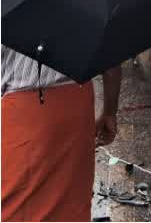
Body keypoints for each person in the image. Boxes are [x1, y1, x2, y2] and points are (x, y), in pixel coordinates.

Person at [2, 48, 122, 221]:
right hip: (77, 104)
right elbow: (111, 50)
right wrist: (110, 111)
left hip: (23, 113)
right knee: (71, 202)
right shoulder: (87, 18)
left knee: (18, 204)